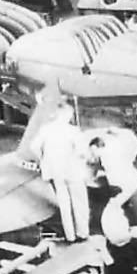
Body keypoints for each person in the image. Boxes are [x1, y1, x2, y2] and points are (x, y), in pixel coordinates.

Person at [35, 98, 90, 241]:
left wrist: (43, 159)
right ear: (66, 115)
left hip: (55, 172)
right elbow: (82, 151)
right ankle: (82, 234)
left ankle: (70, 236)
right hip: (73, 171)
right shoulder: (73, 131)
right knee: (80, 203)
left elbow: (34, 147)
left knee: (64, 205)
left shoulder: (45, 129)